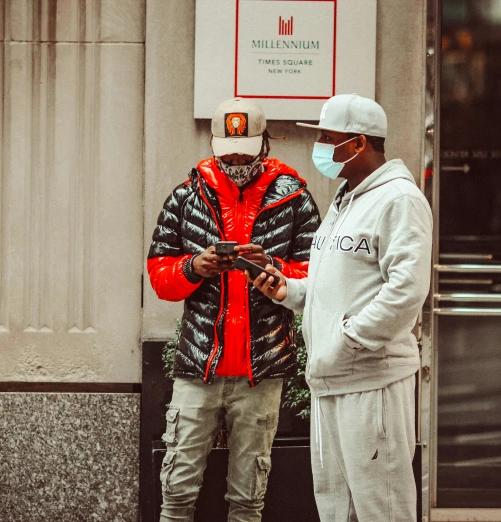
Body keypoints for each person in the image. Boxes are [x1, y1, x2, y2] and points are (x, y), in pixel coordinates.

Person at [250, 94, 432, 522]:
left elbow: (406, 291)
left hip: (372, 382)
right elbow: (332, 283)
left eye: (328, 139)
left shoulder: (399, 200)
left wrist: (348, 340)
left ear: (358, 143)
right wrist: (287, 291)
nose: (321, 149)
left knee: (381, 506)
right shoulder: (345, 199)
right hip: (332, 380)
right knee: (337, 507)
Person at [147, 97, 320, 522]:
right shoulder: (187, 196)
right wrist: (195, 266)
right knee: (176, 492)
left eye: (245, 149)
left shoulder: (294, 197)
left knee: (248, 498)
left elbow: (319, 273)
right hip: (198, 365)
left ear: (265, 144)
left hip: (261, 371)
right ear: (212, 144)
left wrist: (272, 267)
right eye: (228, 151)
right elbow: (159, 272)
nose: (237, 158)